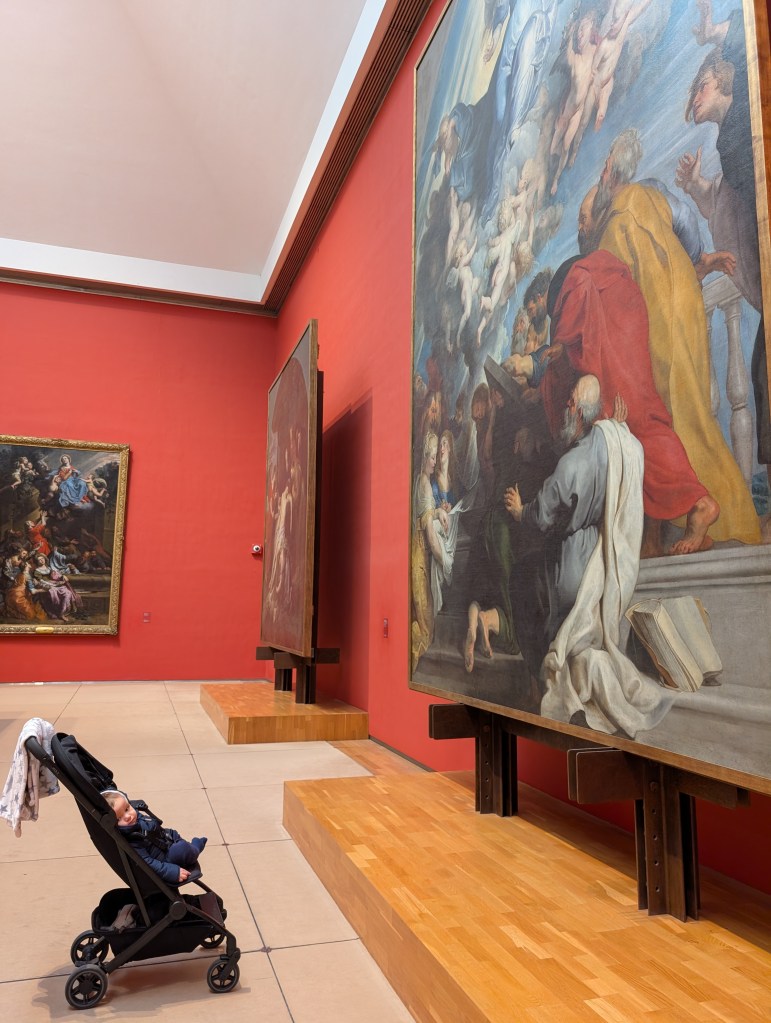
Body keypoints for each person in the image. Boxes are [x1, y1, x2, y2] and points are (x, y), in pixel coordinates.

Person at [588, 128, 760, 547]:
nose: (603, 176)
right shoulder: (651, 192)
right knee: (690, 412)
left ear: (612, 172)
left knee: (671, 418)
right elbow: (684, 220)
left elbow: (613, 296)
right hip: (682, 301)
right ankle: (708, 520)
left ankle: (719, 516)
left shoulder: (615, 221)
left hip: (655, 316)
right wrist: (700, 261)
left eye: (605, 168)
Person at [509, 249, 723, 556]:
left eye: (533, 308)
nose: (534, 315)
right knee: (640, 420)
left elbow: (579, 297)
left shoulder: (571, 281)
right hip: (621, 323)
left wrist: (560, 343)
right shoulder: (598, 273)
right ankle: (658, 534)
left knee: (637, 423)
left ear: (542, 296)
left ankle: (700, 504)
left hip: (612, 333)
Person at [102, 790, 207, 884]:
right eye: (119, 818)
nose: (128, 816)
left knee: (174, 835)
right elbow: (148, 863)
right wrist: (173, 872)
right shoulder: (132, 841)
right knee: (181, 849)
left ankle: (188, 846)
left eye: (127, 809)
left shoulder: (136, 818)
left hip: (165, 839)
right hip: (165, 860)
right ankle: (196, 847)